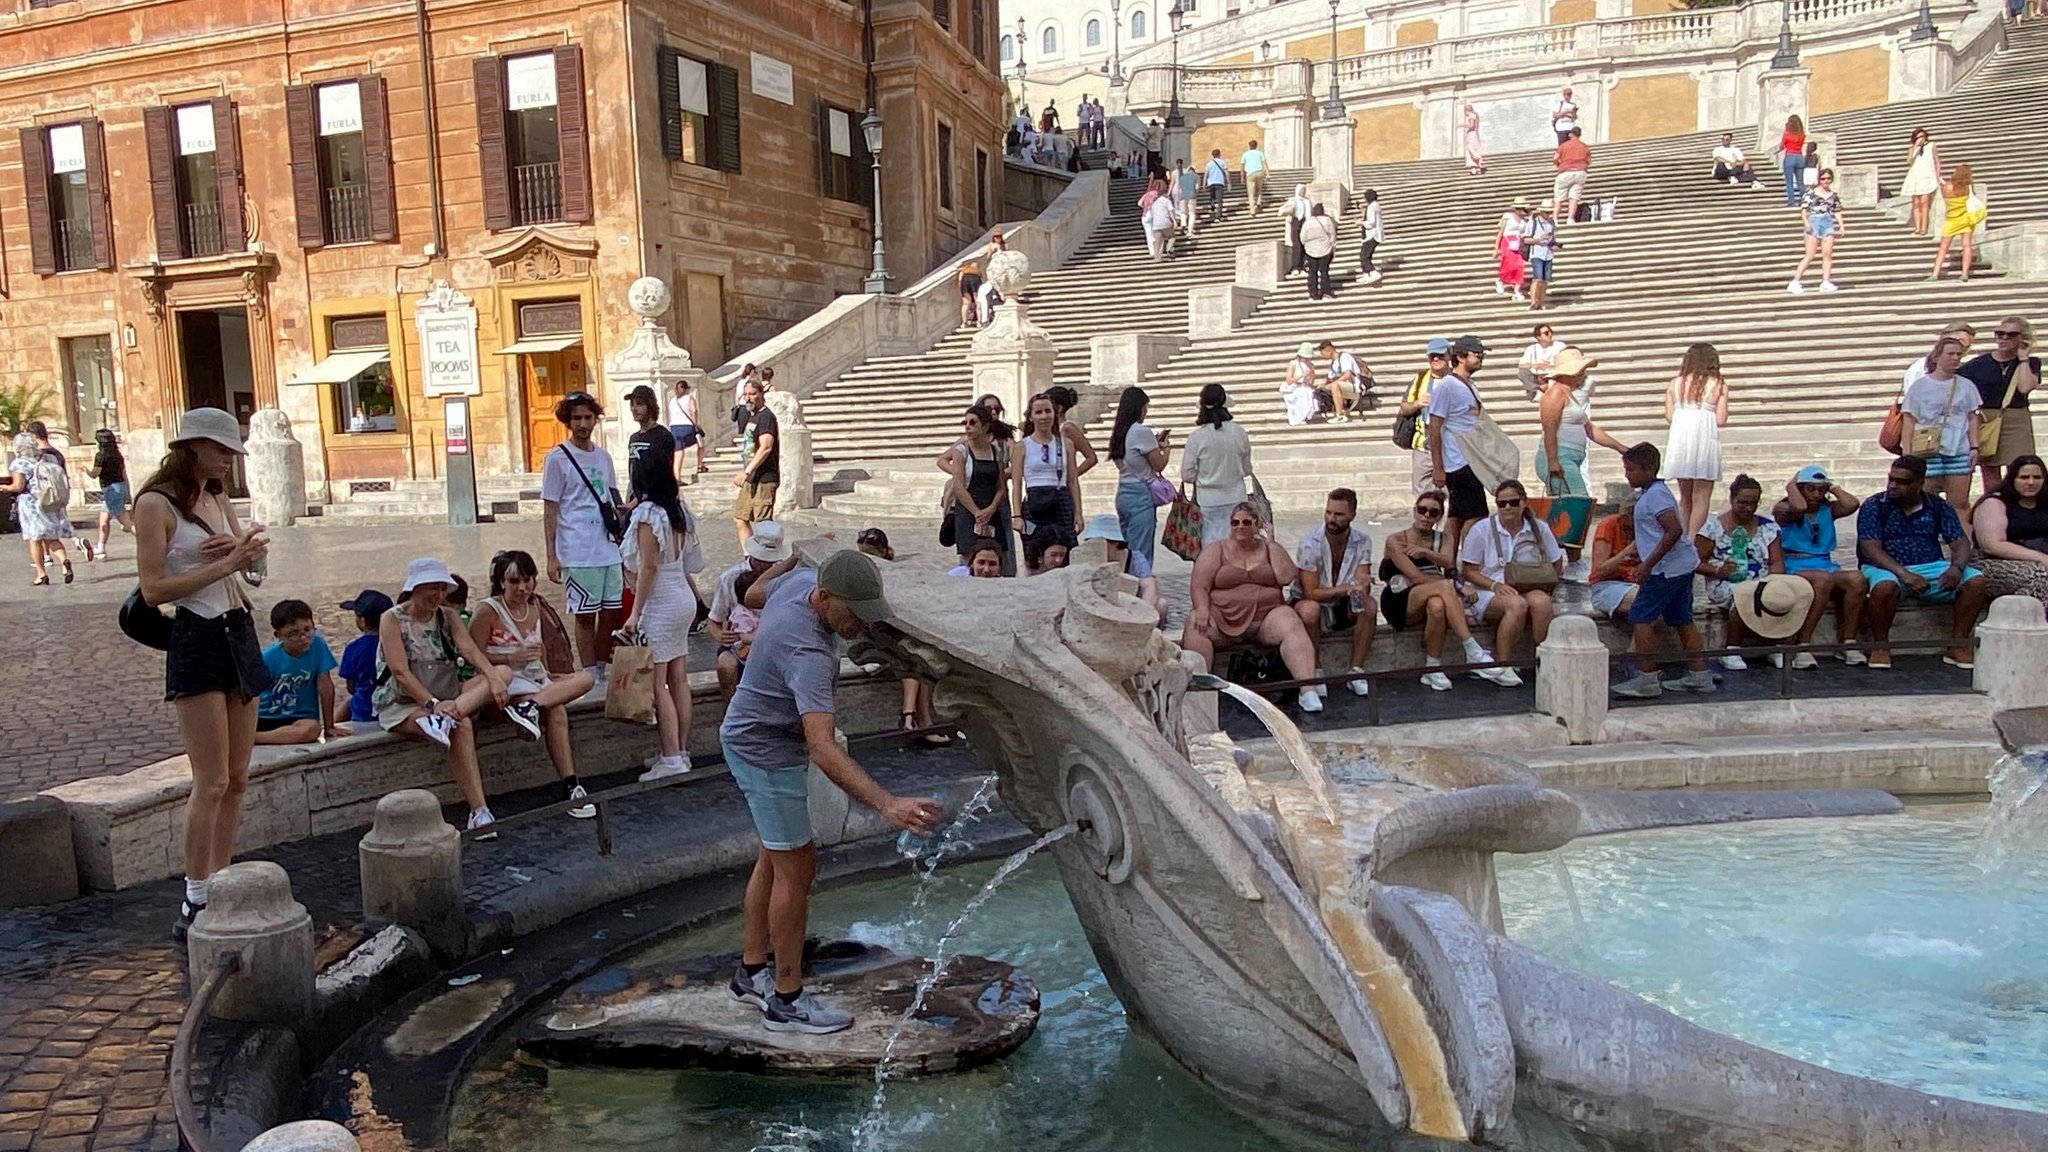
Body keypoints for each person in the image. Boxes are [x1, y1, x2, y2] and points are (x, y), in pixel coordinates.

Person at [721, 549, 944, 1034]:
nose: (860, 624)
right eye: (853, 612)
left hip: (749, 734)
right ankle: (786, 1000)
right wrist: (889, 803)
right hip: (766, 750)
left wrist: (787, 558)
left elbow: (755, 591)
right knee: (798, 868)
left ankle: (751, 970)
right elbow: (821, 748)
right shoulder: (810, 655)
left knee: (773, 857)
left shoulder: (797, 579)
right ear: (823, 597)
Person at [133, 408, 273, 939]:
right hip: (195, 635)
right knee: (210, 780)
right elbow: (153, 591)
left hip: (238, 628)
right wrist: (226, 563)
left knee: (238, 777)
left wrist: (252, 554)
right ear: (191, 447)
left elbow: (255, 576)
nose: (228, 462)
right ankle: (195, 892)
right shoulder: (154, 504)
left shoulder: (219, 498)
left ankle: (221, 875)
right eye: (220, 451)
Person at [375, 558, 520, 833]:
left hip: (448, 696)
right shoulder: (392, 619)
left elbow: (471, 652)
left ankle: (447, 716)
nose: (439, 595)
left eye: (442, 588)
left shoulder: (448, 616)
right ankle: (480, 811)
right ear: (415, 588)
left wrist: (491, 678)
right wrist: (431, 704)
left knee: (503, 674)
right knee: (461, 725)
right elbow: (400, 672)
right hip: (405, 703)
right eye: (432, 588)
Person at [618, 448, 708, 783]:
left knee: (658, 684)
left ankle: (671, 757)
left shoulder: (647, 515)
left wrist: (635, 612)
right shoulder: (678, 510)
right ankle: (679, 750)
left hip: (661, 600)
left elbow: (648, 567)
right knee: (679, 678)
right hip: (681, 595)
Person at [1183, 502, 1325, 713]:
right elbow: (1199, 584)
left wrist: (1272, 543)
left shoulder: (1269, 549)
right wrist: (1202, 608)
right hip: (1222, 618)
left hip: (1265, 618)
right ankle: (1198, 693)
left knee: (1290, 622)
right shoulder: (1216, 550)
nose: (1240, 527)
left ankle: (1308, 690)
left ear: (1257, 525)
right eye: (1235, 522)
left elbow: (1286, 577)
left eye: (1246, 522)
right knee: (1195, 624)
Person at [1858, 454, 1989, 669]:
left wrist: (1956, 568)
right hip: (1886, 566)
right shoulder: (1874, 505)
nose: (1893, 485)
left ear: (1920, 483)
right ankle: (1880, 646)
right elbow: (1871, 549)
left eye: (1903, 482)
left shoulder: (1938, 506)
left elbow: (1960, 542)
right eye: (1891, 479)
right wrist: (1905, 575)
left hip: (1930, 565)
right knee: (1884, 587)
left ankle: (1957, 644)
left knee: (1975, 581)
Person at [1380, 490, 1515, 691]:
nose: (1426, 516)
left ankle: (1432, 667)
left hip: (1432, 595)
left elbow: (1447, 562)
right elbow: (1416, 577)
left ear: (1439, 517)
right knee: (1444, 588)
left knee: (1437, 604)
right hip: (1400, 598)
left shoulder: (1445, 538)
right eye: (1422, 510)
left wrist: (1425, 552)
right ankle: (1471, 648)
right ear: (1414, 511)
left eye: (1433, 513)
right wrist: (1449, 586)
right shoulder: (1396, 540)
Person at [1612, 443, 1713, 698]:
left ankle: (1646, 677)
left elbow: (1673, 529)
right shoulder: (1654, 493)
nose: (1627, 475)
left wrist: (1648, 564)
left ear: (1649, 469)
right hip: (1680, 566)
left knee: (1641, 617)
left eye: (1632, 470)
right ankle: (1699, 673)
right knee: (1681, 618)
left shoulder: (1655, 496)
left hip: (1665, 570)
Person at [540, 391, 623, 675]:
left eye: (588, 417)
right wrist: (552, 556)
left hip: (608, 547)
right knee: (585, 614)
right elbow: (550, 510)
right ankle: (589, 672)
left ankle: (601, 666)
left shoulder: (604, 458)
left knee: (611, 612)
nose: (583, 423)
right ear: (568, 421)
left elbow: (613, 498)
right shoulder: (557, 459)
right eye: (577, 418)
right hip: (576, 549)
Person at [1457, 479, 1560, 673]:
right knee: (1516, 604)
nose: (1507, 508)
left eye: (1513, 502)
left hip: (1528, 584)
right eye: (1501, 504)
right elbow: (1469, 570)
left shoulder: (1539, 528)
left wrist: (1547, 584)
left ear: (1523, 502)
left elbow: (1556, 560)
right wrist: (1495, 585)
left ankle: (1544, 658)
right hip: (1489, 588)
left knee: (1543, 603)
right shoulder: (1481, 529)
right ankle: (1502, 664)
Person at [1773, 466, 1868, 668]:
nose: (1817, 495)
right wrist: (1792, 485)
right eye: (1811, 489)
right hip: (1795, 564)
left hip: (1824, 564)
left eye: (1820, 490)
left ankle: (1848, 642)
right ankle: (1803, 644)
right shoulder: (1784, 509)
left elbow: (1852, 504)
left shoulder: (1828, 509)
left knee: (1857, 579)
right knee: (1822, 580)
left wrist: (1832, 487)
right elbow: (1799, 508)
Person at [1293, 488, 1378, 698]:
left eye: (1338, 514)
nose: (1331, 519)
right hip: (1311, 600)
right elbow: (1311, 592)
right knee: (1310, 610)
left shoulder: (1363, 541)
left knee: (1369, 605)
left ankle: (1356, 670)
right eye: (1328, 512)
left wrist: (1360, 588)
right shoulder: (1309, 543)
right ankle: (1316, 669)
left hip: (1342, 602)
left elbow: (1362, 580)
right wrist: (1348, 587)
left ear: (1352, 515)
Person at [1697, 474, 1783, 671]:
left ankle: (1774, 646)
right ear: (1732, 499)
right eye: (1743, 503)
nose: (1748, 508)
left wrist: (1772, 581)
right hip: (1726, 582)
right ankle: (1732, 648)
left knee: (1779, 594)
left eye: (1753, 503)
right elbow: (1695, 562)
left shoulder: (1769, 528)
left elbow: (1777, 562)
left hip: (1761, 579)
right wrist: (1718, 570)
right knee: (1743, 596)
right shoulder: (1713, 528)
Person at [1427, 334, 1492, 570]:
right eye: (1477, 354)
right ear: (1461, 357)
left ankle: (1449, 564)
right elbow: (1434, 426)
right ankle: (1471, 565)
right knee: (1476, 515)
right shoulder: (1447, 386)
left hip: (1470, 459)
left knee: (1456, 516)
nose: (1481, 357)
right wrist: (1438, 466)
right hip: (1459, 461)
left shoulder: (1468, 385)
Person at [1901, 333, 1982, 517]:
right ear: (1938, 356)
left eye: (1958, 355)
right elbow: (1909, 419)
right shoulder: (1920, 387)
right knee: (1926, 500)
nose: (1955, 358)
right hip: (1927, 449)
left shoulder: (1967, 386)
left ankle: (1962, 540)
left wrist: (1975, 446)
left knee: (1960, 502)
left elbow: (1972, 417)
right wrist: (1907, 451)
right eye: (1951, 354)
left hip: (1958, 448)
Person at [1538, 346, 1626, 509]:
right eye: (1580, 371)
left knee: (1574, 506)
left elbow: (1590, 429)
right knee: (1579, 504)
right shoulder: (1555, 393)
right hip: (1560, 457)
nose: (1583, 374)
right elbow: (1549, 428)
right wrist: (1553, 461)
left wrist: (1619, 447)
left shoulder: (1569, 394)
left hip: (1569, 457)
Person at [710, 522, 787, 696]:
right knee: (725, 666)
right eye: (762, 561)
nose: (765, 566)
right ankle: (731, 709)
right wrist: (720, 635)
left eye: (770, 561)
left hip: (773, 642)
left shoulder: (784, 577)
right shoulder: (729, 578)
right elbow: (714, 620)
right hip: (738, 644)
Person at [939, 403, 1016, 576]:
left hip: (991, 511)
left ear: (985, 426)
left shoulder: (995, 452)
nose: (968, 426)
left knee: (996, 556)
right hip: (968, 512)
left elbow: (1000, 486)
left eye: (973, 422)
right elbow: (959, 487)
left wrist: (990, 509)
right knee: (971, 560)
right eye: (966, 423)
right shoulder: (961, 451)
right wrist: (977, 513)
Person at [1965, 316, 2040, 494]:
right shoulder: (1977, 364)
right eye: (2000, 334)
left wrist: (2023, 359)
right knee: (1990, 472)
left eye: (2011, 335)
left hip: (2016, 419)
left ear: (2023, 338)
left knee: (2020, 467)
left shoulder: (2030, 362)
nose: (2004, 338)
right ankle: (1995, 506)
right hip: (1987, 418)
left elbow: (2025, 387)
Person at [254, 599, 342, 745]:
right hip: (266, 716)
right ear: (279, 635)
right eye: (294, 634)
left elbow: (325, 686)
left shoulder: (317, 645)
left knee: (312, 729)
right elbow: (253, 694)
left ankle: (253, 739)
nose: (303, 638)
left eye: (307, 630)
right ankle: (255, 736)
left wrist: (329, 726)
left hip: (300, 718)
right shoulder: (268, 658)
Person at [1664, 342, 1728, 540]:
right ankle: (1693, 538)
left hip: (1681, 438)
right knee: (1701, 495)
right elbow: (1721, 419)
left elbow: (1669, 416)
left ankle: (1682, 537)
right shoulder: (1718, 384)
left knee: (1685, 497)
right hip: (1704, 438)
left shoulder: (1675, 383)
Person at [1181, 383, 1253, 545]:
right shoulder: (1239, 432)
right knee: (1237, 540)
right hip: (1236, 495)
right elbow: (1247, 469)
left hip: (1208, 498)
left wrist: (1202, 476)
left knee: (1211, 541)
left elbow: (1187, 474)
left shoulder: (1197, 437)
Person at [4, 432, 78, 585]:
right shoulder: (48, 458)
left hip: (31, 505)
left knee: (34, 539)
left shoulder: (20, 463)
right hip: (49, 502)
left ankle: (41, 573)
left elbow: (18, 486)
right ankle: (64, 561)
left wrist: (4, 488)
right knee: (51, 537)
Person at [1972, 455, 2048, 602]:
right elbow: (1992, 545)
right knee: (2040, 576)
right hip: (1994, 562)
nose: (2031, 482)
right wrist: (2040, 557)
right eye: (2024, 477)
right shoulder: (1994, 503)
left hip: (2041, 557)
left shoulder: (2044, 503)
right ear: (2013, 479)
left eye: (2037, 477)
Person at [1108, 386, 1169, 568]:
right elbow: (1158, 464)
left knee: (1126, 548)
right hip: (1140, 493)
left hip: (1124, 491)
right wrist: (1165, 449)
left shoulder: (1120, 431)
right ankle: (1142, 588)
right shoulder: (1140, 431)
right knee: (1141, 552)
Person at [1011, 391, 1085, 536]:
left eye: (1048, 411)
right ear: (1031, 417)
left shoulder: (1067, 444)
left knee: (1063, 547)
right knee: (1033, 549)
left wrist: (1078, 513)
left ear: (1054, 414)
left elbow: (1073, 481)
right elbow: (1017, 483)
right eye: (1038, 412)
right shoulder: (1021, 446)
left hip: (1061, 499)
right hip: (1034, 500)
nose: (1044, 416)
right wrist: (1017, 516)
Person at [732, 378, 782, 546]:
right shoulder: (751, 416)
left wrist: (746, 472)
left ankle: (769, 560)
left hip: (764, 478)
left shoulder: (766, 417)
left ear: (761, 394)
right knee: (740, 518)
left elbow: (766, 447)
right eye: (746, 394)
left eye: (752, 394)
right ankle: (750, 557)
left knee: (763, 524)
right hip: (751, 477)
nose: (748, 398)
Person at [1400, 339, 1451, 495]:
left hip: (1450, 448)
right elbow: (1404, 408)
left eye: (1440, 355)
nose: (1436, 359)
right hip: (1423, 447)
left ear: (1449, 356)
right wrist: (1416, 404)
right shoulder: (1421, 379)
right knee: (1422, 496)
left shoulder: (1456, 379)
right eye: (1432, 356)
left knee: (1453, 496)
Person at [337, 589, 392, 724]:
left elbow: (351, 687)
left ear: (362, 621)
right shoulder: (397, 643)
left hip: (364, 712)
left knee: (349, 702)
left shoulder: (354, 648)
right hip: (392, 709)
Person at [1787, 167, 1843, 294]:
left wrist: (1841, 225)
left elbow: (1837, 210)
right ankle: (1795, 281)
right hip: (1814, 221)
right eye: (1823, 179)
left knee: (1827, 254)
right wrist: (1806, 223)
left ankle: (1825, 281)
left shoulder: (1833, 195)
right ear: (1819, 180)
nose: (1826, 181)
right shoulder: (1811, 193)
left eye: (1828, 178)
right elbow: (1804, 209)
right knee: (1810, 255)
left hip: (1828, 223)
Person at [1586, 495, 1641, 624]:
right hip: (1607, 585)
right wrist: (1626, 552)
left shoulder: (1646, 527)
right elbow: (1599, 570)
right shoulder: (1609, 525)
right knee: (1646, 600)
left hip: (1638, 582)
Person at [1931, 162, 1988, 281]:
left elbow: (1944, 195)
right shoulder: (1967, 188)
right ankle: (1964, 273)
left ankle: (1935, 274)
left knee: (1943, 248)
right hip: (1966, 219)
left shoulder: (1946, 187)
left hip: (1951, 219)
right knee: (1967, 246)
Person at [624, 385, 675, 502]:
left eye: (639, 404)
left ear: (650, 406)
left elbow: (662, 477)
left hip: (658, 503)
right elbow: (632, 473)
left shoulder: (662, 436)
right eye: (632, 404)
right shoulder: (634, 438)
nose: (634, 408)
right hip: (636, 502)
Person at [89, 428, 131, 559]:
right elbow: (124, 474)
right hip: (119, 487)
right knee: (104, 520)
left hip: (111, 489)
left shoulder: (101, 456)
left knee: (125, 521)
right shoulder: (117, 455)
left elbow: (94, 474)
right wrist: (128, 491)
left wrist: (85, 470)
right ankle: (101, 547)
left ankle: (146, 540)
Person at [1901, 128, 1942, 236]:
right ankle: (1917, 228)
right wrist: (1914, 147)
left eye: (1922, 137)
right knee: (1916, 203)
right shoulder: (1913, 148)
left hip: (1927, 176)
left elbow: (1936, 161)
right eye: (1918, 137)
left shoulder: (1931, 145)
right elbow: (1908, 161)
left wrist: (1937, 176)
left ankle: (1924, 228)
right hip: (1916, 176)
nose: (1921, 139)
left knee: (1924, 203)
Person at [1320, 339, 1375, 417]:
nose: (1322, 356)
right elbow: (1329, 378)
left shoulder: (1344, 357)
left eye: (1322, 353)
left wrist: (1332, 384)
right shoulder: (1333, 364)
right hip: (1344, 388)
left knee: (1335, 385)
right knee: (1324, 389)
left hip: (1355, 387)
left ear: (1329, 350)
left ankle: (1340, 414)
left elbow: (1347, 375)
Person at [668, 378, 707, 482]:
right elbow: (694, 410)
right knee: (701, 444)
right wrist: (695, 423)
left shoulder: (672, 400)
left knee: (678, 452)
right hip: (687, 426)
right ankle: (700, 464)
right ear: (686, 389)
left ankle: (677, 478)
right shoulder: (689, 398)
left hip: (674, 427)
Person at [1525, 200, 1560, 310]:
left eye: (1549, 212)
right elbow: (1526, 239)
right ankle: (1533, 302)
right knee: (1537, 279)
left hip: (1548, 253)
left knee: (1545, 280)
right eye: (1546, 212)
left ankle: (1540, 302)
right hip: (1537, 253)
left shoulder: (1551, 223)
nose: (1548, 214)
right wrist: (1539, 240)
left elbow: (1552, 238)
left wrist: (1555, 244)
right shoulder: (1533, 223)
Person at [1301, 203, 1338, 302]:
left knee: (1312, 273)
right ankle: (1325, 292)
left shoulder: (1308, 222)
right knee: (1324, 272)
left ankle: (1313, 293)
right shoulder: (1327, 221)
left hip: (1311, 250)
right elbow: (1332, 236)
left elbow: (1302, 238)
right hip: (1325, 249)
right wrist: (1332, 246)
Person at [1495, 198, 1530, 300]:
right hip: (1507, 241)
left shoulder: (1524, 221)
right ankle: (1500, 280)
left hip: (1518, 243)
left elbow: (1525, 234)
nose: (1520, 210)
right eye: (1518, 208)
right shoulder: (1508, 216)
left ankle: (1517, 290)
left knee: (1519, 266)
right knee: (1507, 264)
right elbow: (1501, 231)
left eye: (1522, 208)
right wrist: (1496, 247)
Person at [1553, 129, 1590, 226]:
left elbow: (1555, 158)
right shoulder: (1585, 146)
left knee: (1559, 197)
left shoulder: (1564, 145)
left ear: (1570, 134)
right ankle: (1570, 219)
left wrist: (1559, 165)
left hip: (1566, 172)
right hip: (1580, 172)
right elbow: (1588, 161)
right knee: (1574, 197)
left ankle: (1555, 219)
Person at [1518, 322, 1562, 401]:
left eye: (1550, 332)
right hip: (1538, 376)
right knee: (1522, 372)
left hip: (1554, 374)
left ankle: (1545, 389)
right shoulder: (1531, 348)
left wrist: (1551, 365)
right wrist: (1535, 365)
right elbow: (1521, 365)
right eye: (1546, 333)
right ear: (1538, 337)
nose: (1550, 334)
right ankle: (1537, 390)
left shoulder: (1559, 346)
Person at [1282, 342, 1322, 426]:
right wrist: (1302, 375)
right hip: (1294, 388)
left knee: (1311, 392)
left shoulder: (1310, 365)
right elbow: (1289, 380)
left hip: (1305, 387)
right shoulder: (1293, 364)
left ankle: (1308, 415)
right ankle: (1301, 416)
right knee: (1303, 393)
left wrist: (1311, 374)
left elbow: (1311, 382)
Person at [1279, 182, 1312, 276]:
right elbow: (1284, 210)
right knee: (1296, 245)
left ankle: (1305, 265)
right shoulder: (1293, 200)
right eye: (1301, 190)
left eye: (1304, 190)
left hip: (1306, 223)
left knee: (1305, 245)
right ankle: (1296, 267)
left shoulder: (1307, 201)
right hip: (1296, 222)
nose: (1303, 192)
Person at [1776, 114, 1807, 208]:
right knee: (1800, 182)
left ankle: (1791, 201)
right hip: (1800, 157)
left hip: (1790, 157)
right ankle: (1804, 200)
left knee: (1789, 181)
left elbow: (1781, 146)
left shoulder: (1787, 134)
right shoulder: (1802, 134)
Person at [1142, 182, 1177, 261]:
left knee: (1158, 242)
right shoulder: (1166, 201)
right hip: (1165, 222)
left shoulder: (1154, 203)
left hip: (1156, 225)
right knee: (1172, 237)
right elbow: (1171, 211)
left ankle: (1157, 258)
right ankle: (1169, 248)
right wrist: (1174, 221)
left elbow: (1152, 213)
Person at [1359, 188, 1384, 285]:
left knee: (1364, 256)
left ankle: (1373, 272)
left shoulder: (1372, 207)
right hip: (1374, 234)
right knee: (1365, 255)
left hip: (1372, 235)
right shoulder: (1376, 205)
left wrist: (1360, 222)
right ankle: (1366, 274)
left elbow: (1371, 222)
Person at [1173, 158, 1200, 236]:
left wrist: (1178, 198)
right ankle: (1190, 231)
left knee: (1183, 212)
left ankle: (1183, 223)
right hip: (1191, 197)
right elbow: (1197, 187)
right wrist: (1196, 193)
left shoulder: (1182, 177)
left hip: (1182, 196)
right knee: (1192, 214)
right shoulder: (1196, 176)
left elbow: (1180, 189)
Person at [1240, 139, 1269, 214]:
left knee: (1251, 193)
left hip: (1250, 174)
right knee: (1259, 189)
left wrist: (1242, 177)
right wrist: (1267, 174)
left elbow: (1242, 167)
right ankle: (1259, 202)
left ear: (1249, 146)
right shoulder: (1260, 153)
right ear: (1256, 146)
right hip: (1259, 172)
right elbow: (1264, 163)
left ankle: (1252, 209)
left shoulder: (1245, 154)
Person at [1202, 148, 1228, 222]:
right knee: (1219, 200)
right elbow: (1226, 173)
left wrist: (1204, 184)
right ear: (1219, 154)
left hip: (1211, 183)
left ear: (1212, 155)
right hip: (1219, 183)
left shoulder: (1209, 164)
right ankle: (1218, 216)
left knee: (1212, 197)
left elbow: (1206, 174)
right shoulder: (1223, 162)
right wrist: (1229, 182)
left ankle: (1213, 206)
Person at [957, 258, 982, 328]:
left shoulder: (963, 270)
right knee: (978, 301)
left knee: (966, 303)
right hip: (975, 280)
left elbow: (960, 279)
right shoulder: (977, 272)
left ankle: (964, 323)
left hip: (965, 281)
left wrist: (960, 287)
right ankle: (979, 321)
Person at [1462, 105, 1485, 175]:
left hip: (1471, 135)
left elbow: (1471, 125)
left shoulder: (1471, 116)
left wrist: (1462, 125)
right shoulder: (1475, 115)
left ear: (1466, 111)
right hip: (1474, 134)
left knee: (1470, 149)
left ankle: (1478, 158)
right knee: (1472, 150)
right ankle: (1475, 169)